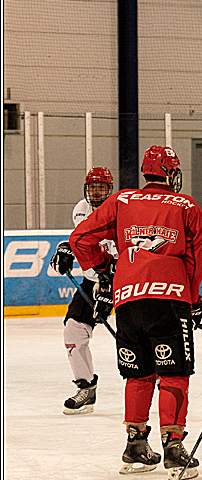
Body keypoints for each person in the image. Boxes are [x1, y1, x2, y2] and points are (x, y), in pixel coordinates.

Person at [69, 145, 202, 480]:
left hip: (128, 300)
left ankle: (135, 444)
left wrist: (103, 267)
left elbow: (81, 238)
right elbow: (197, 257)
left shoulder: (121, 201)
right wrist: (191, 300)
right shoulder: (187, 205)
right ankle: (173, 449)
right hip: (169, 300)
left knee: (138, 373)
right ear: (172, 174)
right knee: (173, 373)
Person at [49, 167, 117, 414]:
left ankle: (158, 375)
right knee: (74, 330)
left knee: (139, 331)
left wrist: (109, 286)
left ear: (110, 189)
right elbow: (82, 240)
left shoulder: (121, 210)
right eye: (92, 187)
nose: (95, 191)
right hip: (93, 279)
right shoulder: (80, 209)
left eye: (101, 187)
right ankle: (86, 388)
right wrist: (67, 247)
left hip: (124, 280)